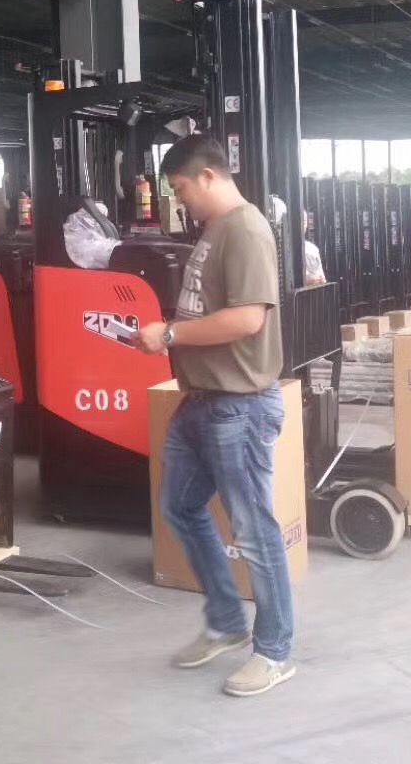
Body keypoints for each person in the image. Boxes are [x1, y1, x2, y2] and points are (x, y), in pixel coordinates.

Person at [135, 134, 295, 697]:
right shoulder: (215, 230)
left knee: (253, 531)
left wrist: (169, 335)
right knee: (179, 507)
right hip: (201, 401)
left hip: (239, 407)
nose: (179, 200)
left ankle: (274, 651)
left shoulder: (246, 229)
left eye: (180, 188)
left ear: (207, 176)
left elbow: (249, 318)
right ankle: (227, 622)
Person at [302, 210, 326, 285]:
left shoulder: (313, 249)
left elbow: (322, 279)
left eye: (304, 221)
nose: (301, 225)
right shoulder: (283, 249)